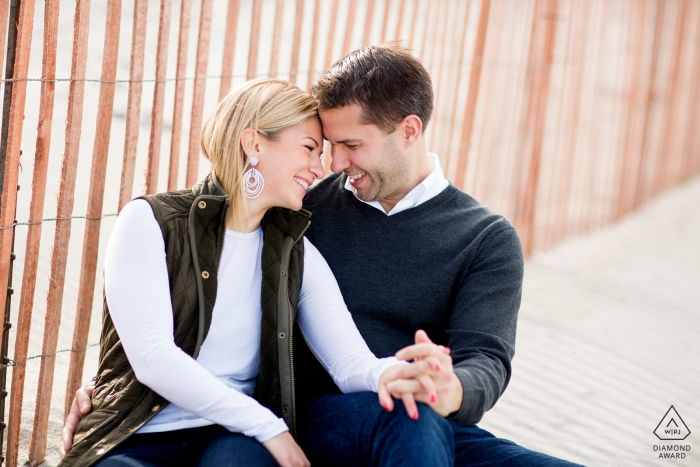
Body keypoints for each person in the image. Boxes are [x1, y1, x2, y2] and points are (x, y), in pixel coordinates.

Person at [63, 47, 583, 466]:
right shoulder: (300, 205)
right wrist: (114, 387)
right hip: (301, 415)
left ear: (409, 130)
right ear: (254, 144)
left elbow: (482, 361)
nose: (332, 164)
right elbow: (168, 321)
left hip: (405, 410)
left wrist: (439, 386)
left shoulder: (483, 237)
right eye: (319, 146)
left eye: (347, 145)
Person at [58, 78, 436, 467]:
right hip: (137, 434)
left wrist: (394, 374)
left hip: (234, 440)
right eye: (309, 149)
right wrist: (267, 425)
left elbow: (350, 363)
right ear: (254, 144)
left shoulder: (295, 253)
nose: (320, 169)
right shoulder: (151, 221)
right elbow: (153, 357)